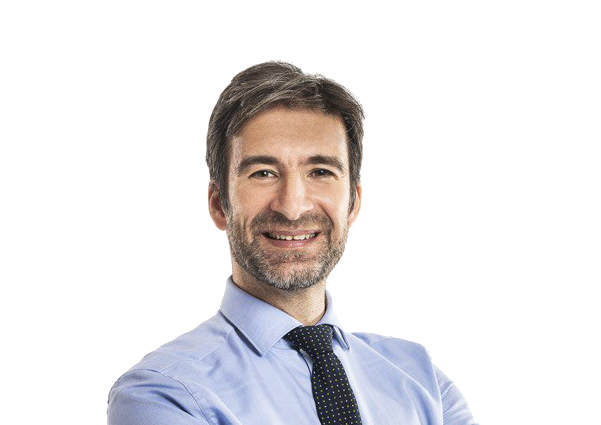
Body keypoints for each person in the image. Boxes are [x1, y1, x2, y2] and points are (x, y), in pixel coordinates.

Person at [107, 61, 478, 425]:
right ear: (219, 204)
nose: (292, 206)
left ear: (353, 203)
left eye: (320, 172)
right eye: (264, 173)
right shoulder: (162, 394)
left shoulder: (425, 383)